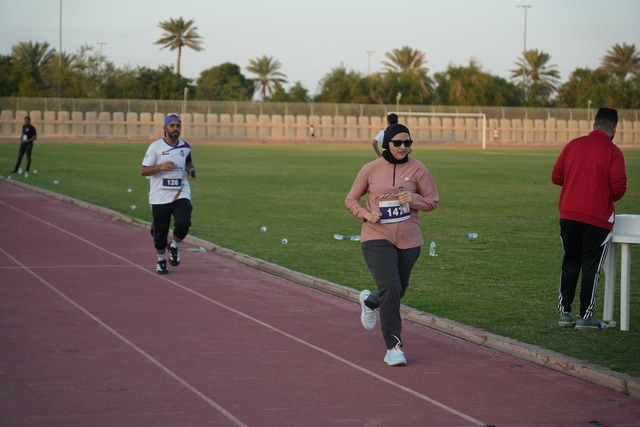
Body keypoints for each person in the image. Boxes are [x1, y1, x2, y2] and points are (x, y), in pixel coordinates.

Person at [346, 123, 439, 365]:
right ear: (387, 144)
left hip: (409, 239)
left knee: (398, 289)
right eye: (397, 143)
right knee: (390, 286)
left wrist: (414, 199)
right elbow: (351, 199)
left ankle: (370, 301)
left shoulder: (418, 168)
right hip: (376, 236)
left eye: (407, 142)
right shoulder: (370, 169)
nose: (402, 147)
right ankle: (393, 347)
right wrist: (365, 214)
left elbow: (432, 201)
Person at [551, 107, 627, 331]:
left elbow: (556, 177)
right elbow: (619, 187)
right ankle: (586, 315)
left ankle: (565, 314)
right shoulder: (613, 151)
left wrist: (576, 185)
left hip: (569, 214)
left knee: (570, 262)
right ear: (614, 129)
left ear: (594, 124)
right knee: (591, 267)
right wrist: (601, 194)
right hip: (597, 217)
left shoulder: (573, 145)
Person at [140, 114, 196, 274]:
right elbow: (143, 170)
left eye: (178, 125)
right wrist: (160, 167)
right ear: (165, 128)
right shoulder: (155, 147)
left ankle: (174, 246)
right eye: (172, 126)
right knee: (160, 234)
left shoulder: (185, 146)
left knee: (184, 223)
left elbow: (188, 162)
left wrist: (191, 170)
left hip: (180, 193)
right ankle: (161, 260)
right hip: (159, 196)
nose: (175, 129)